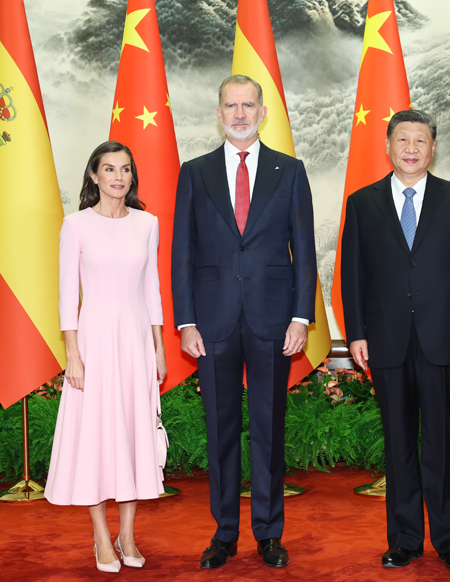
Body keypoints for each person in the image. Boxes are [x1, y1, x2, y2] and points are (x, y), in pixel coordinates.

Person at [171, 74, 316, 569]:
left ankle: (270, 533)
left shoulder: (289, 171)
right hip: (211, 322)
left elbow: (304, 251)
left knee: (269, 430)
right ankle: (224, 533)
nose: (239, 114)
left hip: (274, 319)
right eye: (231, 106)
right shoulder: (195, 172)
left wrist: (301, 316)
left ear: (262, 112)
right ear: (219, 113)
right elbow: (183, 253)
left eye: (247, 105)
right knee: (221, 430)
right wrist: (186, 321)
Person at [340, 109, 450, 571]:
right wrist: (356, 333)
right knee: (398, 443)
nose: (411, 148)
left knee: (443, 442)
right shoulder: (362, 203)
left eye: (420, 140)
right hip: (386, 339)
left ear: (433, 148)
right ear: (388, 146)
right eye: (402, 139)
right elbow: (352, 274)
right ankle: (404, 539)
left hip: (446, 337)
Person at [45, 141, 167, 573]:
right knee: (95, 438)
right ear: (94, 176)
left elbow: (152, 290)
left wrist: (158, 347)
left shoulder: (147, 223)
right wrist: (73, 354)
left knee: (133, 435)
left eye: (126, 169)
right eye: (109, 169)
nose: (118, 177)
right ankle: (101, 537)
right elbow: (66, 297)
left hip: (135, 342)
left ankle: (127, 535)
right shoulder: (76, 225)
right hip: (93, 343)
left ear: (133, 176)